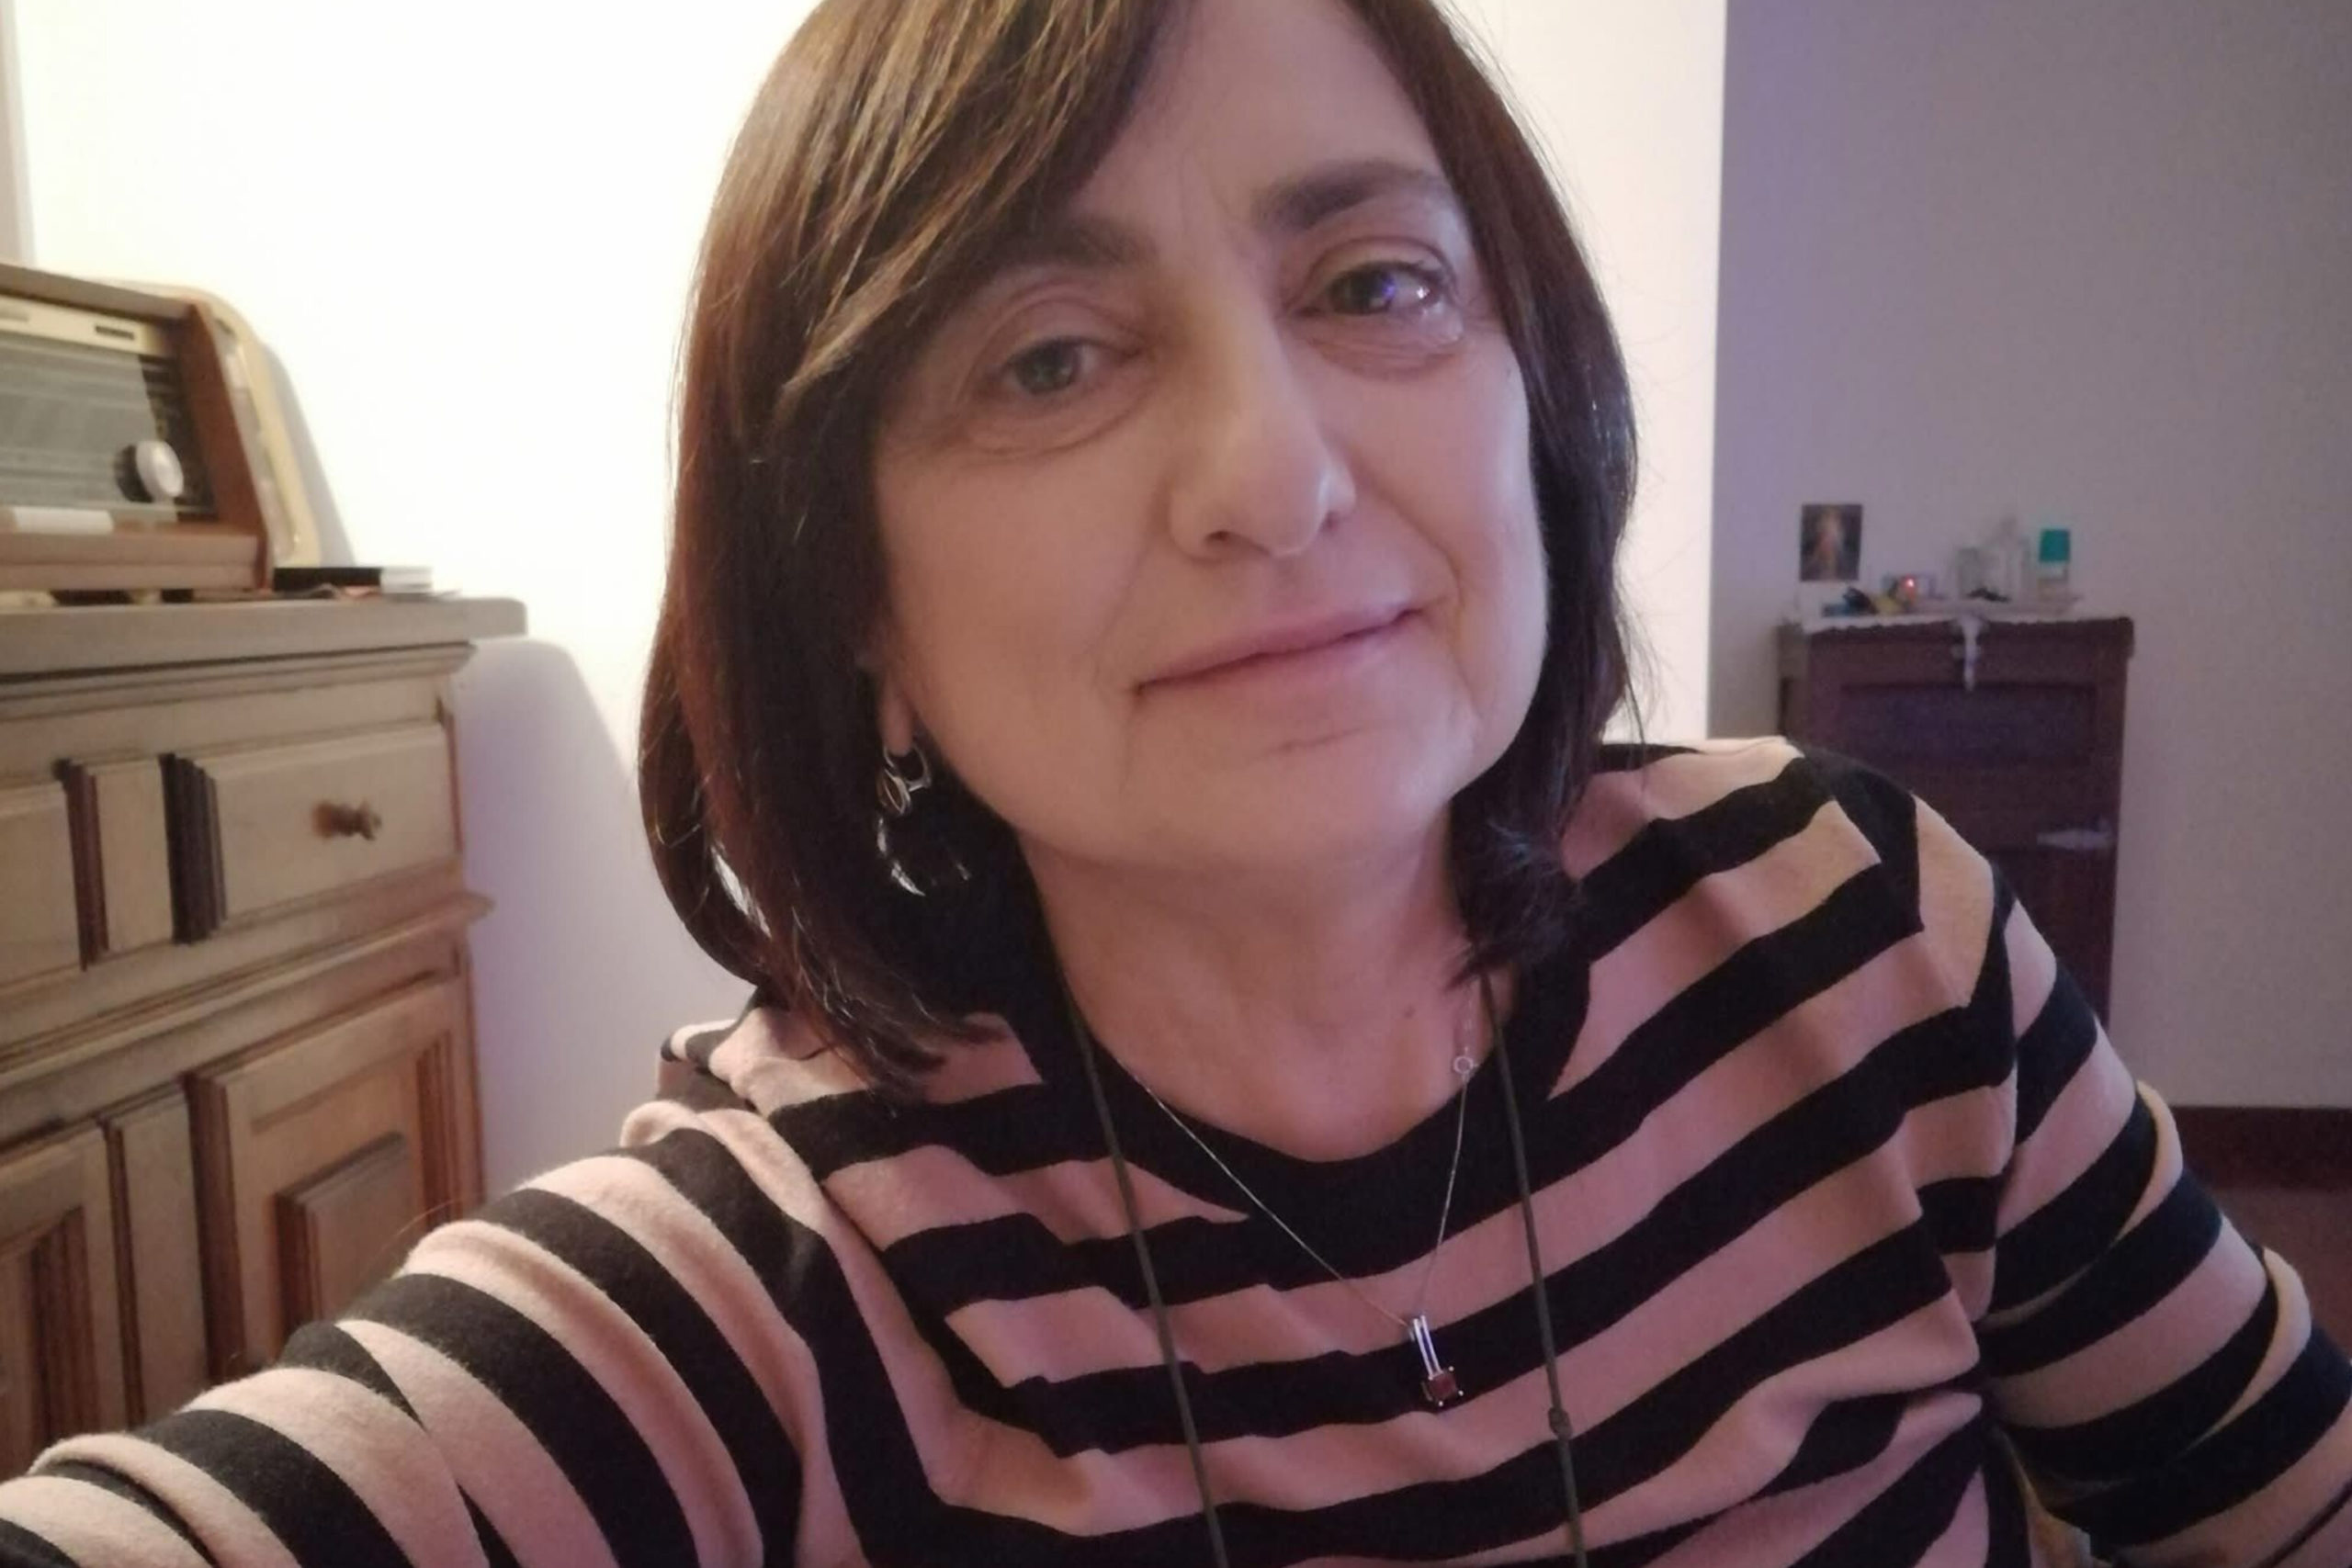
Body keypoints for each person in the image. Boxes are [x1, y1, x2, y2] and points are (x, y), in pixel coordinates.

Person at [5, 0, 2348, 1563]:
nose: (1271, 471)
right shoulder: (798, 1270)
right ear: (849, 593)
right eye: (1048, 356)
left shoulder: (1855, 938)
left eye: (1373, 284)